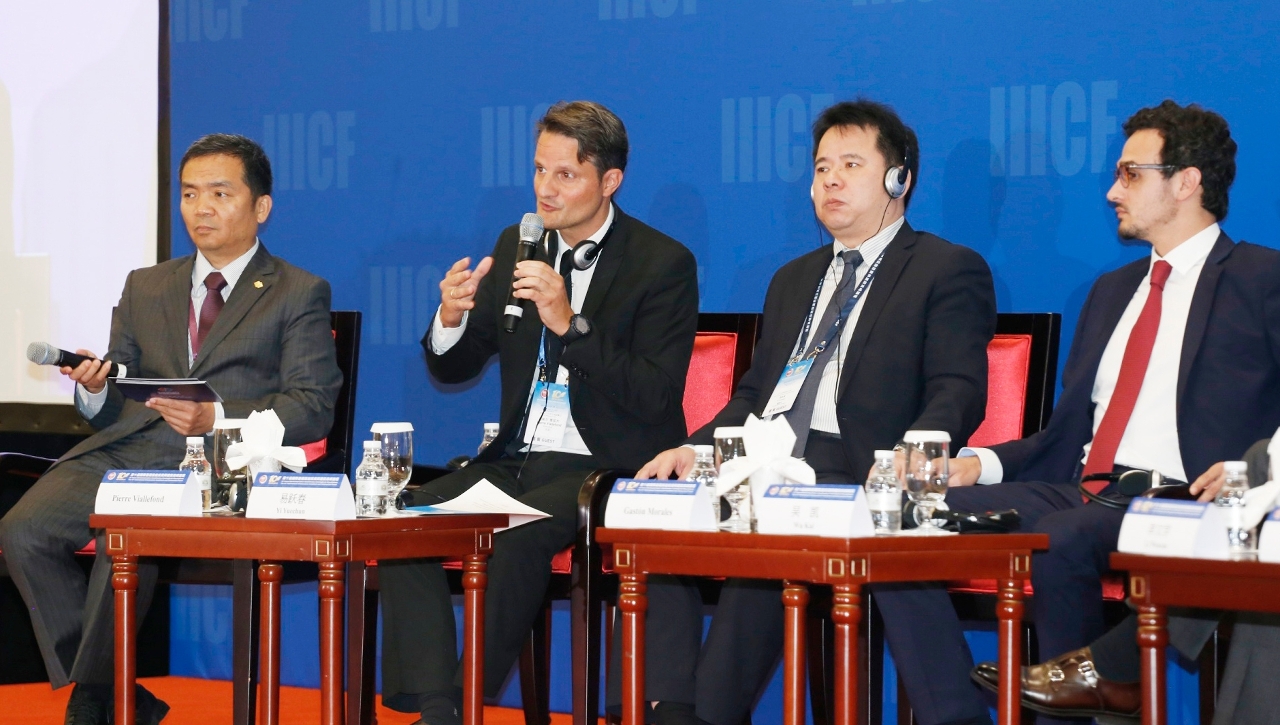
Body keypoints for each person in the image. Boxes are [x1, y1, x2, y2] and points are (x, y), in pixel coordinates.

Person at [875, 99, 1280, 725]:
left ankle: (1091, 692)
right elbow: (1065, 435)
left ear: (1187, 182)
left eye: (1131, 174)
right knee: (903, 518)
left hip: (1184, 500)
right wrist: (979, 464)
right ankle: (958, 711)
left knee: (1064, 538)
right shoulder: (1111, 292)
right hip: (1085, 489)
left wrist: (1254, 470)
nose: (1113, 192)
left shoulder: (1260, 277)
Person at [624, 99, 997, 725]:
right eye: (822, 167)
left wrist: (909, 458)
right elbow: (754, 395)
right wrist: (695, 448)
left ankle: (708, 713)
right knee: (661, 509)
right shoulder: (793, 279)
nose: (831, 181)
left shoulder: (943, 268)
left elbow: (957, 387)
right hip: (769, 465)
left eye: (851, 164)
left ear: (898, 179)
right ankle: (673, 706)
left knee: (773, 534)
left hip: (861, 469)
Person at [0, 133, 343, 725]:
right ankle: (112, 687)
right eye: (189, 194)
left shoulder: (297, 291)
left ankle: (95, 699)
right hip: (129, 450)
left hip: (221, 467)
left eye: (219, 193)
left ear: (261, 206)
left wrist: (219, 417)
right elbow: (116, 403)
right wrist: (96, 387)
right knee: (23, 528)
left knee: (124, 538)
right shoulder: (147, 284)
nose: (201, 208)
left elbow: (313, 406)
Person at [377, 100, 700, 725]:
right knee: (401, 519)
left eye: (566, 175)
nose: (545, 190)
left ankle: (463, 702)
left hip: (602, 467)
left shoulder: (662, 263)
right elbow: (456, 367)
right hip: (517, 459)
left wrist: (570, 325)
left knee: (518, 539)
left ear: (610, 181)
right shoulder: (518, 245)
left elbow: (657, 394)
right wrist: (449, 318)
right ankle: (440, 707)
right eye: (539, 170)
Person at [971, 435, 1279, 724]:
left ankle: (1115, 666)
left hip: (1168, 487)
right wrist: (981, 463)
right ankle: (1117, 665)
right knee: (1258, 460)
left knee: (1255, 464)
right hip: (1081, 483)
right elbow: (1059, 435)